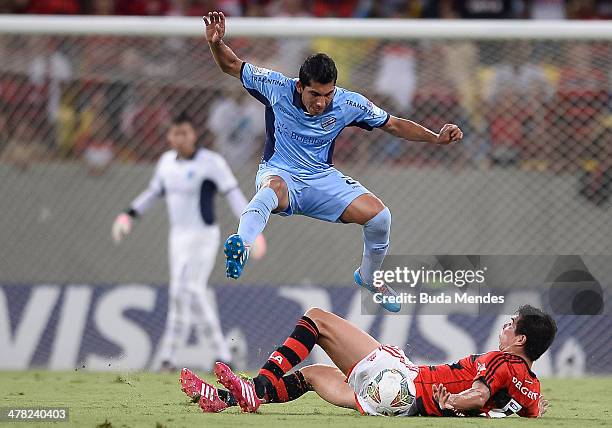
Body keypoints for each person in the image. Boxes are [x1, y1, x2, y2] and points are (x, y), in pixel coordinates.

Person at [203, 11, 463, 313]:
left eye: (327, 95)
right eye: (315, 94)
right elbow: (232, 65)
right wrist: (216, 44)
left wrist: (435, 137)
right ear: (300, 86)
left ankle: (369, 277)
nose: (321, 102)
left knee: (381, 217)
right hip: (281, 172)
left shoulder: (348, 102)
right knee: (269, 191)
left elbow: (392, 124)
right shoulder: (275, 86)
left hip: (321, 178)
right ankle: (242, 246)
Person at [180, 305, 556, 418]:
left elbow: (476, 394)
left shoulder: (499, 360)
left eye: (511, 326)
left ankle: (255, 385)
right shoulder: (529, 383)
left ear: (520, 340)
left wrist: (456, 402)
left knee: (317, 320)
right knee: (311, 374)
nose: (504, 328)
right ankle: (224, 399)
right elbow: (531, 409)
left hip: (404, 385)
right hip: (398, 404)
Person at [111, 112, 266, 371]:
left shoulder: (211, 162)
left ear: (194, 134)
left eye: (185, 132)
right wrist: (128, 215)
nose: (180, 138)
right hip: (178, 238)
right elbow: (152, 193)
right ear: (169, 136)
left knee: (192, 288)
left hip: (203, 236)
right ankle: (170, 358)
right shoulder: (165, 164)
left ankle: (221, 356)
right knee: (178, 292)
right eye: (175, 133)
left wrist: (252, 232)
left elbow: (234, 195)